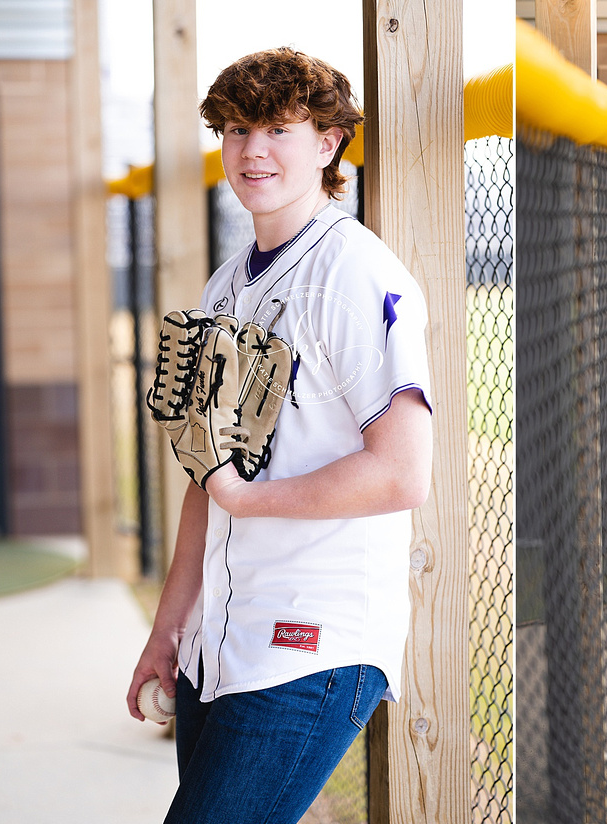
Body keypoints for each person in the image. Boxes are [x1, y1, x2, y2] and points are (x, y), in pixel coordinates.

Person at [126, 47, 434, 823]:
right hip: (220, 640)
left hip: (312, 645)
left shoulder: (357, 273)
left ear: (329, 142)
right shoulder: (229, 282)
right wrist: (171, 627)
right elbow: (211, 473)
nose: (251, 150)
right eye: (233, 129)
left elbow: (401, 474)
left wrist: (246, 497)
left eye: (276, 129)